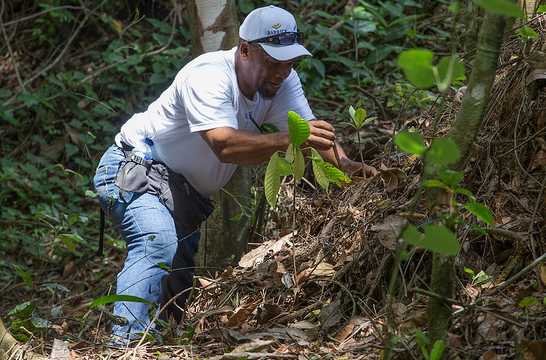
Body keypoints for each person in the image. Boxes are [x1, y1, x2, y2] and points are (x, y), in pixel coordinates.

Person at [93, 5, 378, 345]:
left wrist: (346, 167)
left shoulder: (281, 80)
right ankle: (124, 345)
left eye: (290, 63)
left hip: (182, 196)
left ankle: (160, 345)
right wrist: (287, 138)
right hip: (133, 169)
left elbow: (310, 132)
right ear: (245, 50)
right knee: (156, 243)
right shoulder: (208, 76)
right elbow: (225, 146)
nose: (283, 73)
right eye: (274, 62)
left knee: (174, 297)